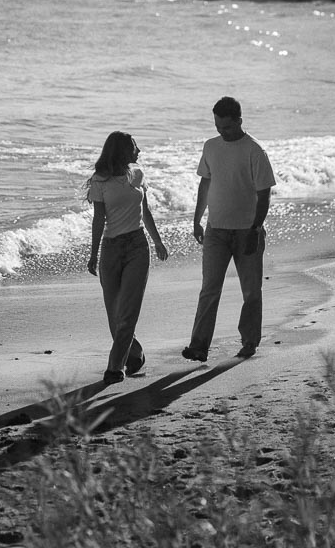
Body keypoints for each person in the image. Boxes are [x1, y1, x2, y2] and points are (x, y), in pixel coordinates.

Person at [182, 96, 275, 363]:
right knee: (209, 289)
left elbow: (264, 193)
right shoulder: (211, 146)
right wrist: (196, 220)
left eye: (227, 127)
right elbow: (205, 184)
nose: (222, 132)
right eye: (218, 127)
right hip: (216, 231)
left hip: (248, 230)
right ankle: (198, 346)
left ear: (239, 121)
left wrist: (256, 229)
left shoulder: (255, 150)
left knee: (251, 290)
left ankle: (249, 341)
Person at [87, 131, 169, 385]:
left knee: (129, 311)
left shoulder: (138, 174)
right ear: (121, 150)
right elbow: (98, 219)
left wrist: (157, 241)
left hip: (137, 246)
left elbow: (146, 212)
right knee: (114, 315)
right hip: (111, 249)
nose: (139, 151)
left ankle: (115, 367)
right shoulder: (99, 181)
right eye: (134, 146)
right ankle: (134, 354)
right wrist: (93, 254)